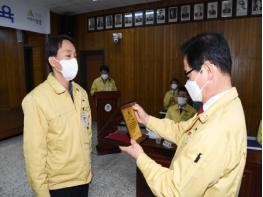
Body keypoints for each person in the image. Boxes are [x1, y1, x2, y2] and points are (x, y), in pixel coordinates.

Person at [120, 32, 247, 196]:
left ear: (207, 70)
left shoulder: (217, 129)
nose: (187, 83)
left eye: (188, 74)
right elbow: (182, 132)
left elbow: (174, 190)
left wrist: (140, 157)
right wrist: (147, 119)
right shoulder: (222, 108)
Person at [22, 35, 92, 197]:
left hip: (83, 178)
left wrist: (87, 169)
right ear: (53, 61)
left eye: (75, 56)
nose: (74, 60)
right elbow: (34, 152)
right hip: (58, 185)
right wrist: (41, 192)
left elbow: (86, 133)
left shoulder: (81, 93)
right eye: (68, 55)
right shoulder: (36, 99)